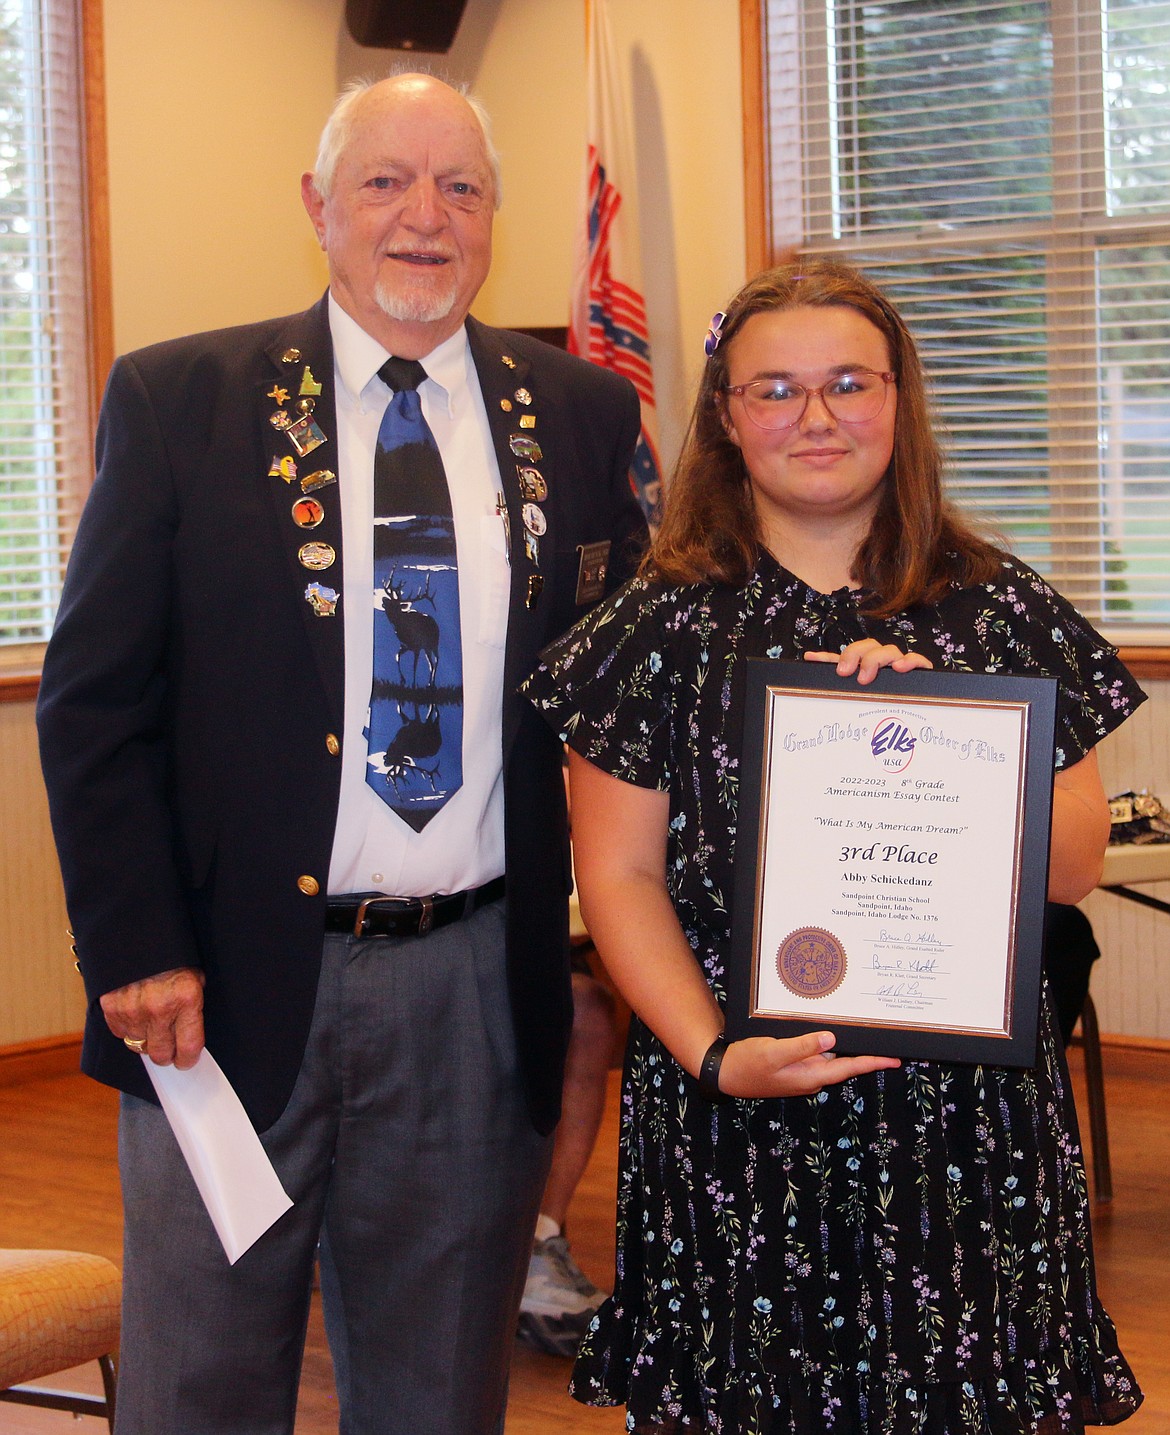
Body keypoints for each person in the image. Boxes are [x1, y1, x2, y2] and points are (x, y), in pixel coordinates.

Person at [36, 72, 647, 1435]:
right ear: (318, 206)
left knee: (436, 1390)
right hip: (220, 990)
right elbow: (91, 701)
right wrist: (134, 942)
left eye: (460, 187)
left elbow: (631, 683)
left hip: (475, 991)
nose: (422, 217)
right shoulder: (181, 398)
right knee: (200, 1380)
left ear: (494, 217)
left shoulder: (583, 417)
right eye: (384, 181)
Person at [524, 260, 1145, 1431]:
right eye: (776, 390)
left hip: (966, 1131)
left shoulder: (999, 610)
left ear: (900, 401)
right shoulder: (654, 628)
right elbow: (617, 875)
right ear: (725, 415)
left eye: (849, 383)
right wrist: (715, 1056)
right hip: (735, 1116)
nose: (815, 418)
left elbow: (1070, 870)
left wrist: (961, 718)